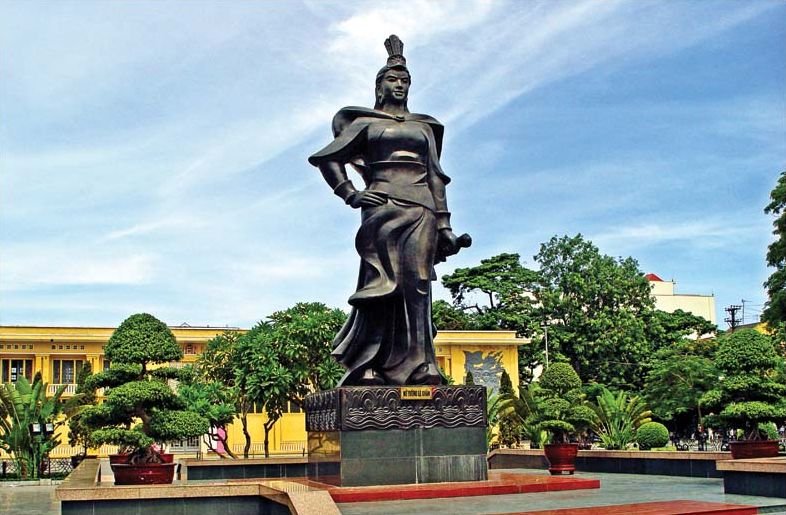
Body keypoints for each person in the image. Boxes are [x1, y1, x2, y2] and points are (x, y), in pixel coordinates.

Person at [309, 35, 469, 386]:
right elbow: (327, 159)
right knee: (381, 283)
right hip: (381, 207)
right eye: (393, 80)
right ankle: (369, 365)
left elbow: (436, 177)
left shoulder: (423, 127)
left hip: (421, 207)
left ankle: (422, 365)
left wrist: (444, 226)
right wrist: (350, 193)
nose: (400, 85)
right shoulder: (367, 124)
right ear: (379, 86)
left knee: (418, 286)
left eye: (405, 81)